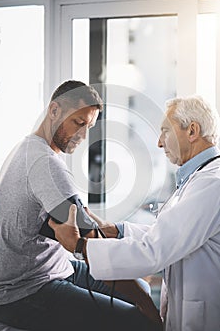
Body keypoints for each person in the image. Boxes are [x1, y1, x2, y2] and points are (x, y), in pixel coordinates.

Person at [0, 80, 161, 331]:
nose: (83, 135)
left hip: (57, 268)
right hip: (25, 294)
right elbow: (93, 244)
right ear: (54, 110)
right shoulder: (44, 165)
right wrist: (149, 307)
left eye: (89, 126)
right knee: (136, 319)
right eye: (78, 123)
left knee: (141, 287)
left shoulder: (24, 147)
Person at [48, 95, 220, 331]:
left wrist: (80, 246)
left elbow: (154, 251)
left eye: (165, 132)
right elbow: (166, 235)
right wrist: (117, 230)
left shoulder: (212, 184)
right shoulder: (199, 179)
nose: (160, 143)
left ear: (192, 131)